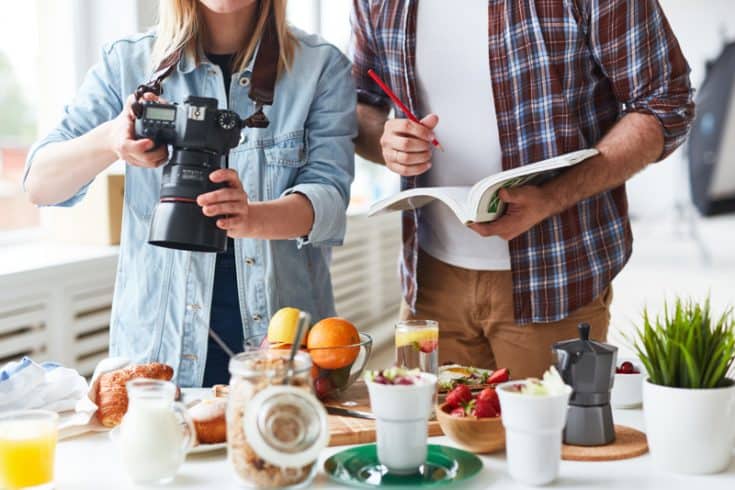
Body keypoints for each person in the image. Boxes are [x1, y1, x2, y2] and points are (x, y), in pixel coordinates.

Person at [350, 0, 694, 378]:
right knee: (430, 435)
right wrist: (386, 142)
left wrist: (554, 196)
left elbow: (664, 102)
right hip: (429, 282)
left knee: (548, 437)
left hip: (555, 276)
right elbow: (364, 105)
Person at [24, 0, 356, 387]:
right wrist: (111, 138)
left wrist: (252, 217)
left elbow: (330, 199)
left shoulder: (320, 67)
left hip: (286, 352)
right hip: (157, 351)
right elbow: (40, 183)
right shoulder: (128, 62)